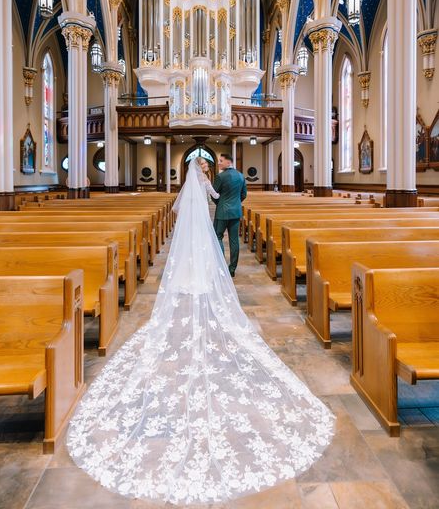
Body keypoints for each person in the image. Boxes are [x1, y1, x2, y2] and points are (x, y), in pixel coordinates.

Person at [67, 157, 335, 506]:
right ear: (204, 168)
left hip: (214, 217)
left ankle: (202, 272)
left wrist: (212, 192)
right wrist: (220, 193)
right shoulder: (225, 179)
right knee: (222, 244)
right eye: (207, 166)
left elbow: (201, 199)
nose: (210, 167)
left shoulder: (210, 180)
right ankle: (224, 269)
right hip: (228, 213)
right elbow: (228, 195)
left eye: (212, 164)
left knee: (209, 243)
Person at [211, 153, 247, 277]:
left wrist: (220, 203)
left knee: (218, 236)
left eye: (221, 161)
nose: (219, 163)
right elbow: (243, 195)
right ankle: (232, 269)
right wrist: (236, 203)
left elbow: (213, 194)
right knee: (234, 240)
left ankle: (221, 266)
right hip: (236, 212)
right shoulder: (241, 176)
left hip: (222, 212)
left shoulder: (220, 177)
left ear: (228, 162)